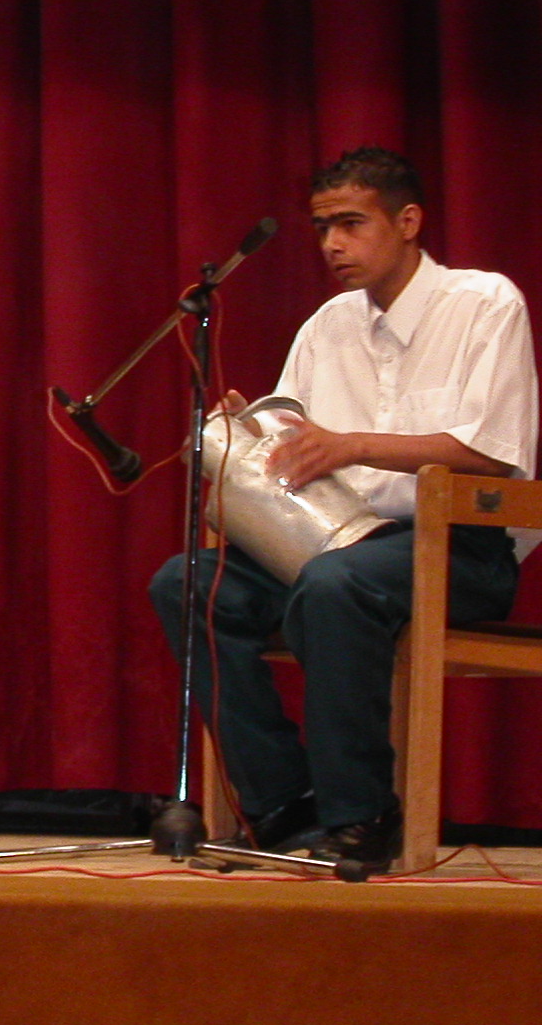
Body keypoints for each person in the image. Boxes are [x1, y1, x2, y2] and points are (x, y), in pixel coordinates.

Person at [149, 148, 537, 867]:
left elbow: (490, 453)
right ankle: (281, 802)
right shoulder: (327, 324)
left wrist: (351, 444)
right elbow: (299, 447)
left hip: (455, 547)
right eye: (323, 227)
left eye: (352, 224)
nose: (332, 244)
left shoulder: (484, 303)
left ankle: (361, 814)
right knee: (186, 581)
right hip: (328, 539)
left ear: (409, 222)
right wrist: (248, 440)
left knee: (337, 585)